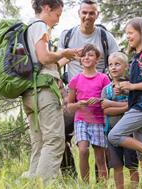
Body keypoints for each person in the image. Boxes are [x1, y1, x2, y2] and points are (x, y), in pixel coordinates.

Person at [57, 0, 119, 178]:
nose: (87, 16)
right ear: (79, 13)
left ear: (97, 15)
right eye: (84, 12)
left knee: (104, 142)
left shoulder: (105, 37)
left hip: (99, 96)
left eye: (91, 13)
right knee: (58, 133)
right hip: (74, 95)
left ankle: (101, 180)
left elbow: (117, 60)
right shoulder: (68, 36)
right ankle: (71, 176)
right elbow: (59, 62)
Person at [21, 0, 80, 185]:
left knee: (39, 142)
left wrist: (68, 57)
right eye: (57, 14)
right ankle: (45, 184)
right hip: (44, 92)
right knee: (54, 140)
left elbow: (44, 64)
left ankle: (33, 183)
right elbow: (44, 56)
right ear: (46, 8)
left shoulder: (28, 28)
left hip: (30, 92)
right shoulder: (39, 26)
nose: (57, 20)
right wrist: (63, 52)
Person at [107, 17, 142, 184]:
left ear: (141, 33)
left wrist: (132, 87)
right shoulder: (136, 58)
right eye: (126, 34)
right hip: (138, 105)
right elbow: (138, 83)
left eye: (130, 33)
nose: (128, 36)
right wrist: (125, 87)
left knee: (115, 135)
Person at [67, 44, 110, 183]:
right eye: (84, 55)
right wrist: (78, 104)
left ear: (97, 60)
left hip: (98, 121)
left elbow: (109, 100)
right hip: (81, 120)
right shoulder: (75, 80)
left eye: (90, 55)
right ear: (80, 59)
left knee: (100, 157)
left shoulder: (103, 78)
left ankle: (103, 184)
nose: (86, 57)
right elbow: (69, 105)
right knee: (83, 150)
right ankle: (85, 184)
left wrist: (98, 100)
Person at [101, 52, 139, 189]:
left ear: (126, 66)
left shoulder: (132, 87)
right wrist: (125, 107)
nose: (113, 67)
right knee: (117, 165)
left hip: (129, 133)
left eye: (117, 64)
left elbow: (135, 106)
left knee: (132, 164)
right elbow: (106, 110)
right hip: (111, 132)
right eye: (110, 65)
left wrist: (115, 104)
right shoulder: (106, 90)